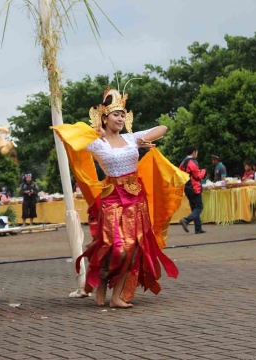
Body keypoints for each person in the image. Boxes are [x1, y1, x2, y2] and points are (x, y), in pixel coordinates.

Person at [52, 86, 188, 308]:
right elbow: (65, 133)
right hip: (113, 199)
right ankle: (103, 280)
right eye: (116, 114)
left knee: (133, 248)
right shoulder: (97, 142)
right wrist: (92, 132)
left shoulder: (131, 138)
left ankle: (116, 296)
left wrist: (144, 140)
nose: (120, 118)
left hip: (136, 199)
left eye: (123, 115)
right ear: (104, 117)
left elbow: (162, 127)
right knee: (116, 246)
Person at [179, 146, 207, 234]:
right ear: (194, 152)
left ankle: (198, 228)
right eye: (197, 152)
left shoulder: (183, 162)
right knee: (199, 207)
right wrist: (203, 171)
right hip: (194, 187)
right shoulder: (192, 162)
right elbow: (198, 176)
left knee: (194, 208)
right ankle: (186, 220)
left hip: (187, 187)